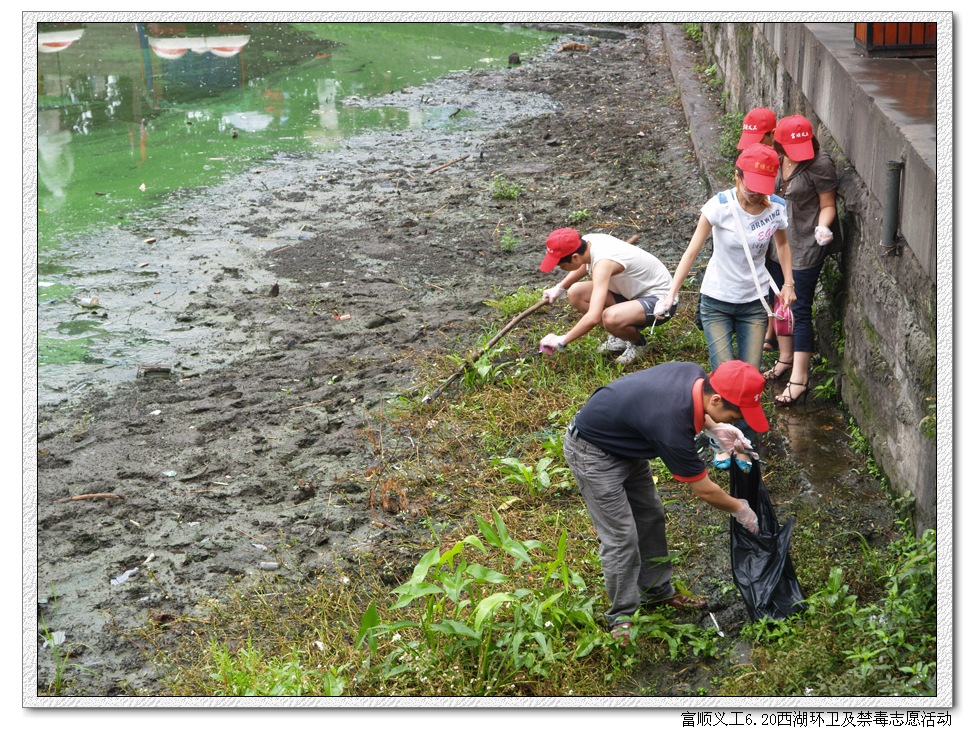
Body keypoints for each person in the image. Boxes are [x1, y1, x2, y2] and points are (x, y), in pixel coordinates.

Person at [563, 359, 764, 644]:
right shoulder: (672, 424)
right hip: (593, 453)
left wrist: (714, 428)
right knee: (621, 537)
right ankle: (621, 616)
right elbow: (704, 490)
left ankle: (656, 591)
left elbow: (683, 411)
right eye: (736, 415)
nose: (738, 421)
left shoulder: (694, 375)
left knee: (651, 516)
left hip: (629, 441)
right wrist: (740, 509)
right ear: (717, 399)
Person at [654, 143, 795, 469]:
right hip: (717, 301)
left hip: (754, 303)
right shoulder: (718, 207)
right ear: (737, 176)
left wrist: (788, 283)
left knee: (749, 378)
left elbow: (783, 244)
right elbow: (691, 252)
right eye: (750, 187)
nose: (756, 196)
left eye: (763, 189)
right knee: (723, 375)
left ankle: (743, 442)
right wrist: (671, 293)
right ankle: (720, 439)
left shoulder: (775, 208)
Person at [762, 114, 839, 407]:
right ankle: (785, 358)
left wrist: (824, 226)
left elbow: (828, 204)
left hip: (806, 245)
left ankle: (800, 378)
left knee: (799, 308)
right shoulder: (776, 156)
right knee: (778, 302)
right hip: (776, 243)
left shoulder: (820, 164)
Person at [537, 228, 675, 366]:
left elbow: (593, 316)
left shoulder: (603, 263)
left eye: (562, 266)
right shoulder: (588, 241)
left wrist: (562, 340)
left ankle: (639, 344)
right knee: (576, 293)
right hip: (630, 293)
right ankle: (621, 336)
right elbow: (584, 264)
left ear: (574, 257)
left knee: (610, 317)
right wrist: (559, 287)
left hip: (660, 302)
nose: (561, 269)